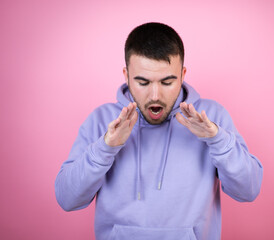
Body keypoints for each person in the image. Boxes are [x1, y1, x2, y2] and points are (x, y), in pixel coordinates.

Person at [55, 22, 263, 240]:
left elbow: (248, 191)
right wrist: (105, 148)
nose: (155, 95)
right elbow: (68, 200)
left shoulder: (211, 117)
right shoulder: (102, 121)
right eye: (143, 82)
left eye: (167, 82)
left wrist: (217, 139)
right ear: (126, 75)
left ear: (182, 74)